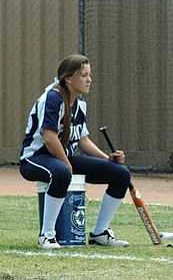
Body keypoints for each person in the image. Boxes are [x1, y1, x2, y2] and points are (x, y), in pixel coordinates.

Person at [20, 54, 131, 249]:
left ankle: (100, 233)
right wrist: (66, 163)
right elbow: (49, 137)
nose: (90, 80)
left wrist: (108, 158)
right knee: (62, 172)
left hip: (62, 157)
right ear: (68, 79)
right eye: (84, 75)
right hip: (35, 158)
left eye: (89, 75)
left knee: (120, 174)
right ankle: (47, 235)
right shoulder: (52, 98)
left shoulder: (79, 104)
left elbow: (82, 139)